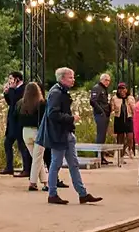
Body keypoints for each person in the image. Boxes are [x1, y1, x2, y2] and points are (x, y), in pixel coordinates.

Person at [41, 67, 103, 206]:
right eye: (70, 77)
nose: (73, 80)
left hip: (66, 133)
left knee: (73, 164)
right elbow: (53, 114)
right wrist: (71, 118)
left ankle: (83, 194)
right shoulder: (56, 93)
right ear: (62, 78)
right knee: (55, 164)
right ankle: (52, 194)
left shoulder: (60, 92)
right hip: (59, 134)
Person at [17, 82, 48, 192]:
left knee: (37, 159)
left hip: (25, 131)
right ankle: (33, 183)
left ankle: (45, 182)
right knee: (38, 159)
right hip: (37, 131)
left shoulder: (21, 103)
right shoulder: (42, 103)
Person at [1, 71, 31, 176]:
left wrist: (12, 90)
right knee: (7, 143)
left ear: (17, 79)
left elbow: (16, 101)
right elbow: (10, 102)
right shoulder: (14, 90)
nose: (9, 81)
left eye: (11, 79)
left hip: (19, 121)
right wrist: (6, 93)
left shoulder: (23, 89)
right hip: (12, 121)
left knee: (22, 145)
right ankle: (9, 167)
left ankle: (26, 168)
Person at [89, 72, 113, 164]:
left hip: (105, 115)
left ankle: (101, 156)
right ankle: (98, 156)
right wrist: (101, 112)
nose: (107, 82)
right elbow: (93, 101)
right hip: (100, 115)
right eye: (106, 80)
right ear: (101, 80)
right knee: (100, 135)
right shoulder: (97, 88)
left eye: (109, 80)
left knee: (103, 136)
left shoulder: (104, 89)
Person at [112, 83, 134, 159]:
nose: (122, 91)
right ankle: (120, 156)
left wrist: (131, 104)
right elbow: (111, 108)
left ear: (126, 89)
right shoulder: (114, 98)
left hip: (129, 118)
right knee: (120, 139)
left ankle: (128, 149)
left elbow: (134, 109)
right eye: (120, 89)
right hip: (119, 119)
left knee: (130, 137)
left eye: (123, 88)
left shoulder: (130, 98)